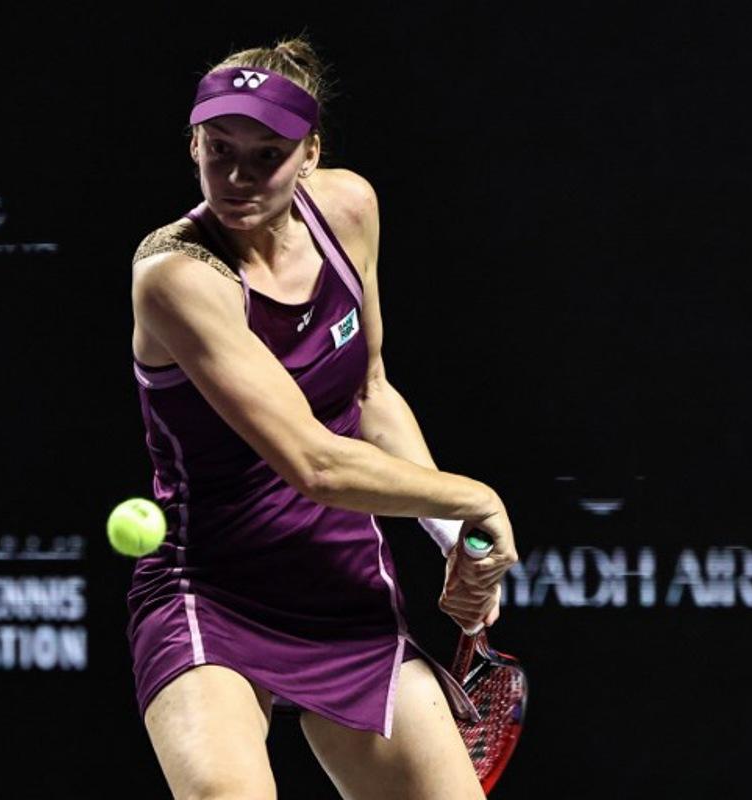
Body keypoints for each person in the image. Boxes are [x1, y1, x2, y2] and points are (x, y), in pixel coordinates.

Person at [127, 37, 517, 800]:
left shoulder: (349, 210)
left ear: (311, 153)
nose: (237, 178)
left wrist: (451, 539)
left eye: (266, 154)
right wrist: (476, 499)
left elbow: (369, 394)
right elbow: (316, 462)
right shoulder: (174, 275)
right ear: (194, 144)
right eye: (218, 150)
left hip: (340, 580)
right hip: (210, 587)